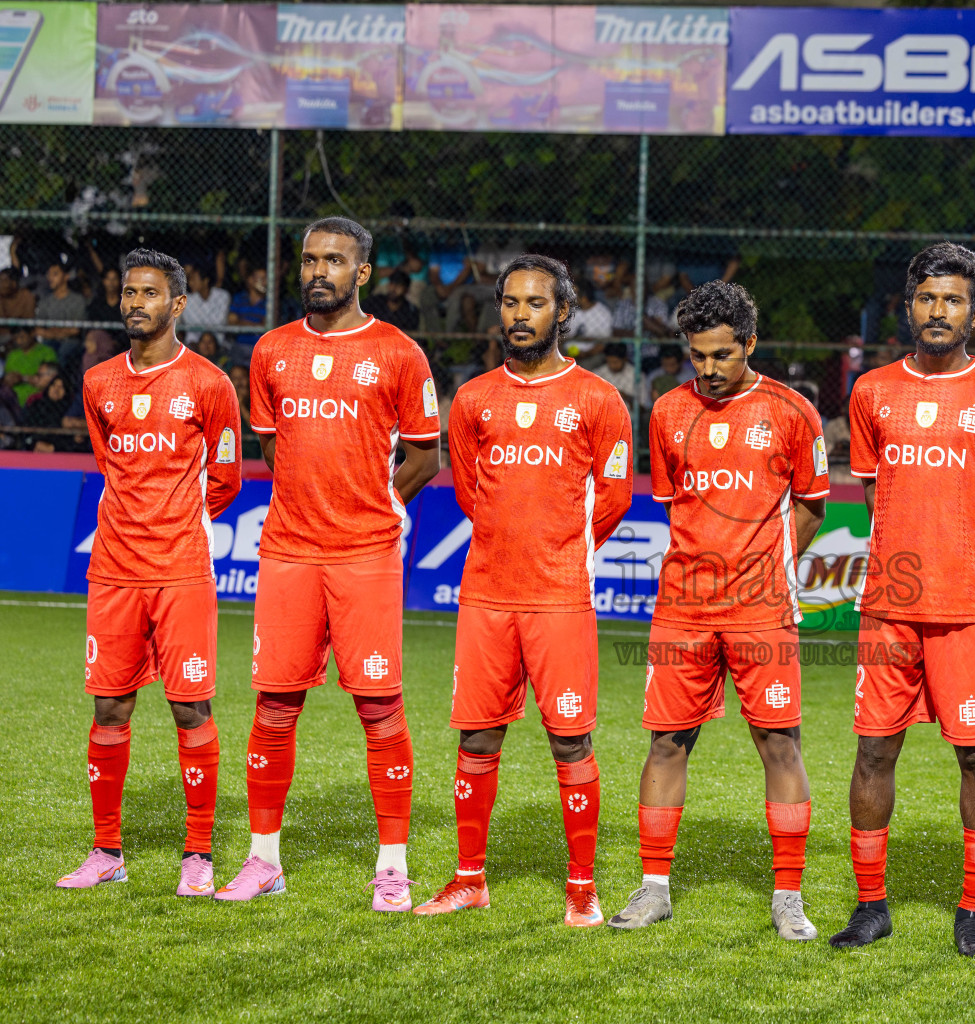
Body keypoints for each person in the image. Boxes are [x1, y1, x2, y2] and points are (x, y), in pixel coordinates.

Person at [215, 217, 441, 910]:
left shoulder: (399, 353)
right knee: (275, 706)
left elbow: (425, 455)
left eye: (335, 260)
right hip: (287, 551)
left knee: (380, 708)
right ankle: (263, 861)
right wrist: (310, 500)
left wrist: (376, 504)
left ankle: (393, 866)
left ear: (362, 273)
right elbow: (273, 449)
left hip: (366, 555)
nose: (319, 271)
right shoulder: (271, 350)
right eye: (311, 259)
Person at [830, 243, 975, 958]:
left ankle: (973, 912)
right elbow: (870, 487)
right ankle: (870, 906)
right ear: (909, 305)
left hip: (970, 608)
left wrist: (960, 532)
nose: (937, 310)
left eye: (952, 300)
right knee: (872, 753)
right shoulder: (871, 391)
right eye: (926, 298)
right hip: (889, 605)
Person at [606, 280, 829, 942]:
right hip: (683, 608)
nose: (707, 368)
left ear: (750, 344)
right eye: (697, 355)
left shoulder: (793, 411)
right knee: (667, 741)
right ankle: (655, 890)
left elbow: (812, 504)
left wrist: (767, 562)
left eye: (721, 355)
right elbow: (676, 504)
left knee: (779, 741)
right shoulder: (669, 410)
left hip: (762, 609)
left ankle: (788, 896)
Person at [414, 255, 632, 925]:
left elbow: (615, 496)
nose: (518, 315)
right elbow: (473, 491)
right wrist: (510, 546)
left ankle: (581, 890)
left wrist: (559, 551)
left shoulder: (597, 398)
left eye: (534, 303)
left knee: (571, 740)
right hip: (485, 595)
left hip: (560, 598)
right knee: (477, 737)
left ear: (562, 312)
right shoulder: (476, 398)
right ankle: (469, 879)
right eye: (509, 302)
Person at [55, 248, 241, 896]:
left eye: (150, 294)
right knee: (110, 705)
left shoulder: (211, 385)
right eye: (129, 293)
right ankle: (107, 851)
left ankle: (198, 854)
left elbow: (225, 479)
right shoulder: (98, 381)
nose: (136, 303)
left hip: (182, 569)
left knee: (191, 707)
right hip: (112, 570)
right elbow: (110, 466)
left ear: (178, 305)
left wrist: (174, 521)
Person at [35, 260, 88, 363]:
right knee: (44, 350)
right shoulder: (45, 301)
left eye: (55, 274)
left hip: (71, 341)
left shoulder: (77, 300)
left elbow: (75, 330)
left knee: (64, 352)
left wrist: (52, 332)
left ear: (66, 276)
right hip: (50, 340)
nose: (50, 278)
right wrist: (60, 333)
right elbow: (38, 329)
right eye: (49, 274)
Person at [179, 263, 231, 335]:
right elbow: (190, 327)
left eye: (194, 279)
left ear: (206, 281)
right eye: (190, 279)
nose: (190, 283)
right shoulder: (188, 300)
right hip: (194, 341)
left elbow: (219, 322)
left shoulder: (222, 296)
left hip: (217, 339)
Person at [0, 266, 36, 348]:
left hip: (20, 333)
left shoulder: (26, 296)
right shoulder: (1, 297)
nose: (0, 285)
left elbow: (28, 321)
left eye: (3, 281)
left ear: (13, 283)